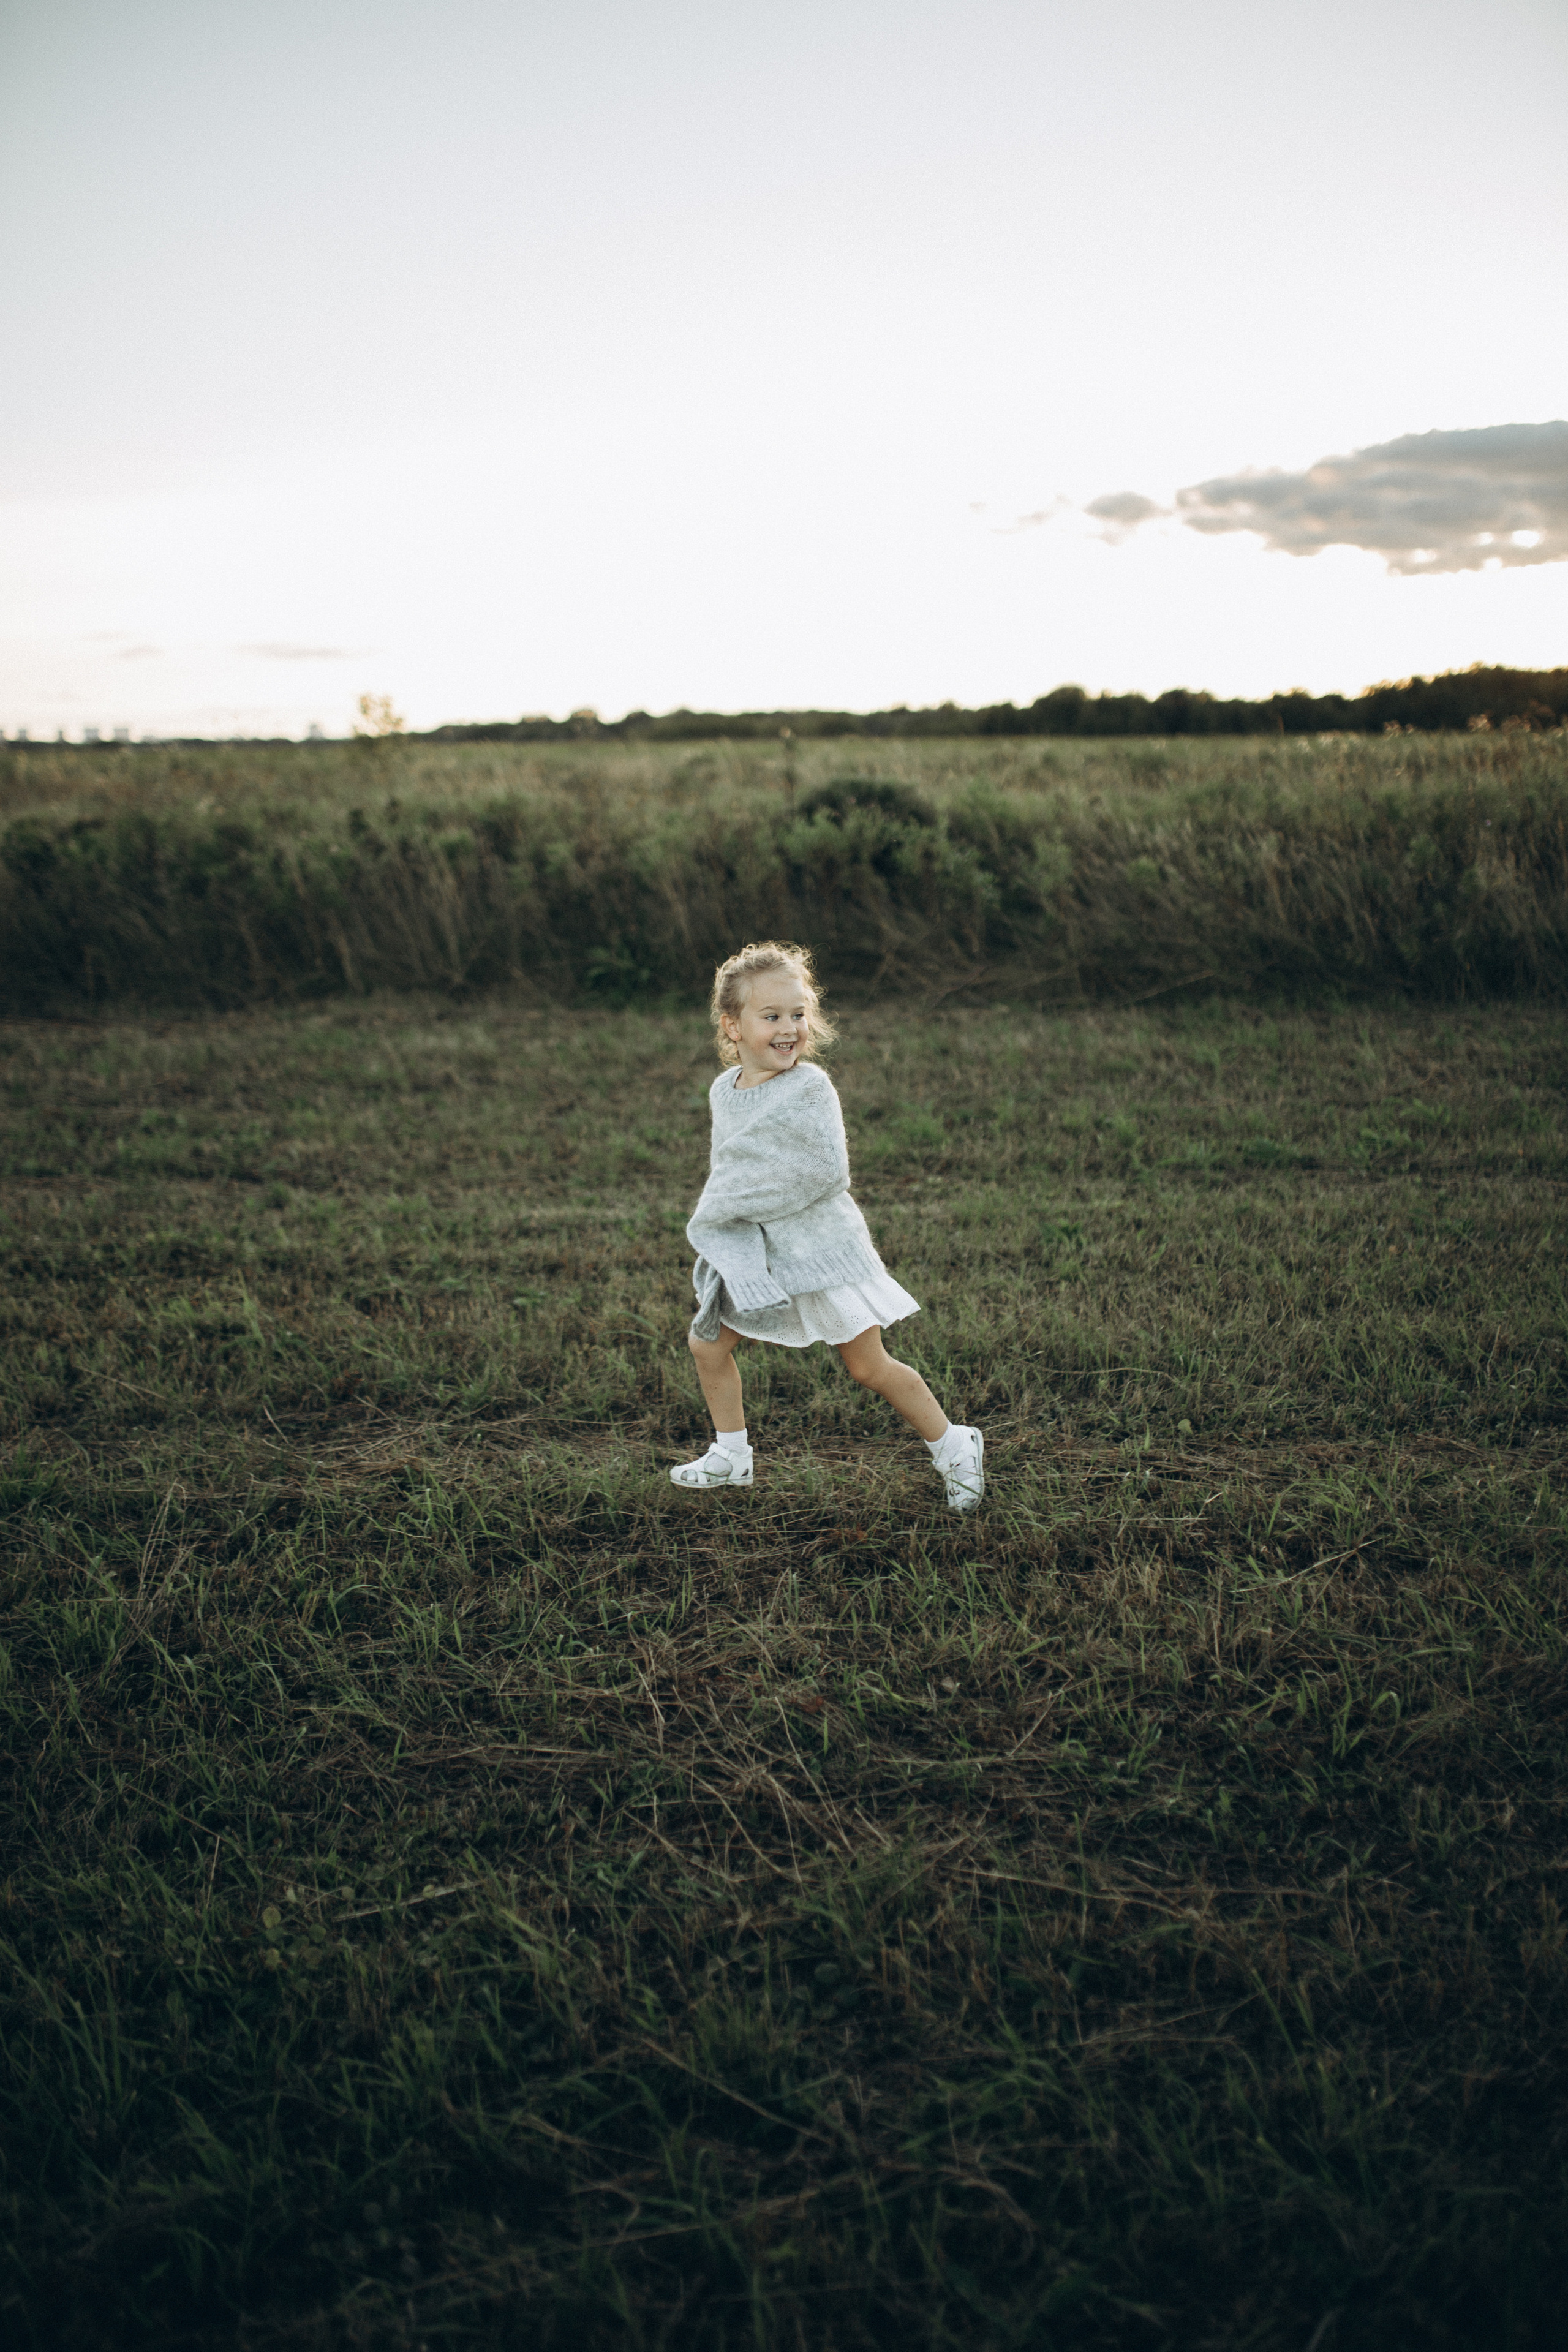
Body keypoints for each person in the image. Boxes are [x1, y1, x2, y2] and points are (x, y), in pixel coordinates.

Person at [669, 940, 984, 1509]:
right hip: (761, 1254)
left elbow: (823, 1172)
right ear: (732, 1026)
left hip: (819, 1250)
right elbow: (733, 1173)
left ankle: (955, 1444)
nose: (789, 1028)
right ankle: (731, 1456)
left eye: (798, 1015)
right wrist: (729, 1230)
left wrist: (731, 1203)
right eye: (772, 1017)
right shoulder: (725, 1090)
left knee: (868, 1366)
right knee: (707, 1343)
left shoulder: (810, 1088)